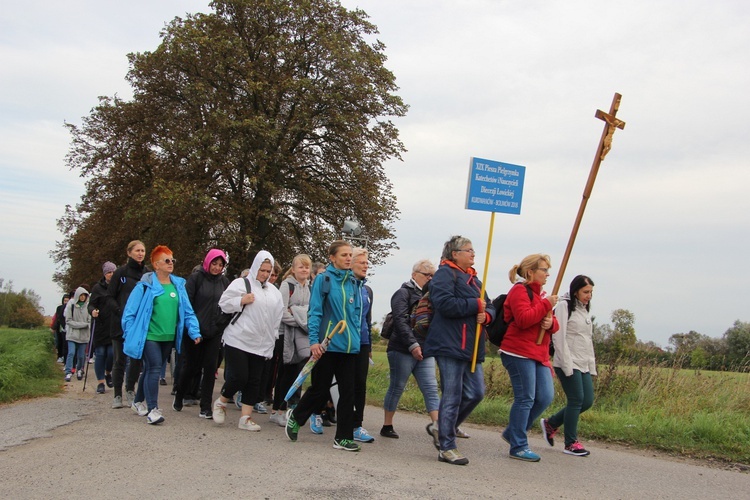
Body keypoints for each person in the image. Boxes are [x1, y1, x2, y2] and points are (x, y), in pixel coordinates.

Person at [423, 236, 495, 466]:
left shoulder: (474, 279)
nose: (473, 254)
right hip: (449, 343)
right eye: (468, 250)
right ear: (455, 254)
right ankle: (447, 446)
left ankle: (442, 427)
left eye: (473, 250)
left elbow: (489, 304)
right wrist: (475, 306)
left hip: (472, 346)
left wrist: (488, 315)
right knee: (452, 395)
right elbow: (444, 303)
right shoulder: (445, 274)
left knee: (476, 393)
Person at [285, 240, 363, 452]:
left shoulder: (354, 282)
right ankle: (297, 417)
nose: (349, 258)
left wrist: (357, 340)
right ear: (332, 257)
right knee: (319, 390)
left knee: (348, 393)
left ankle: (343, 438)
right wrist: (313, 342)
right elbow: (315, 312)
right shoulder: (324, 279)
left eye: (350, 255)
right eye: (344, 255)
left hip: (348, 347)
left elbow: (355, 315)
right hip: (327, 345)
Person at [122, 245, 202, 425]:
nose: (171, 263)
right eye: (166, 260)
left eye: (172, 260)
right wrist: (129, 334)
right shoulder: (145, 286)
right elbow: (129, 313)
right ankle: (153, 409)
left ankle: (136, 402)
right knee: (155, 367)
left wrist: (194, 331)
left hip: (168, 337)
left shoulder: (178, 285)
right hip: (149, 336)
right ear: (156, 265)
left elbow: (188, 312)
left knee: (150, 369)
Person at [213, 250, 284, 431]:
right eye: (262, 270)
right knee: (239, 376)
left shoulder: (274, 293)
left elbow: (276, 318)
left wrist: (271, 341)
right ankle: (221, 401)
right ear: (255, 267)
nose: (265, 274)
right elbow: (223, 303)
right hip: (239, 338)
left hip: (261, 344)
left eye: (268, 271)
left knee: (254, 380)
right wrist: (241, 300)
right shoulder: (241, 283)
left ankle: (245, 417)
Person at [500, 254, 559, 462]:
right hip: (518, 352)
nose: (547, 274)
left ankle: (514, 431)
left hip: (538, 354)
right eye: (544, 270)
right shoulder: (519, 291)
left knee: (544, 396)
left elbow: (554, 324)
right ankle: (518, 445)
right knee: (525, 398)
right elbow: (524, 320)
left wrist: (550, 323)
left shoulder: (542, 295)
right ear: (530, 272)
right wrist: (546, 305)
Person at [381, 259, 440, 440]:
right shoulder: (402, 293)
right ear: (414, 275)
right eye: (426, 275)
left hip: (426, 349)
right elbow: (400, 320)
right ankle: (387, 425)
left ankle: (438, 428)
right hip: (402, 348)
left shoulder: (434, 295)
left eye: (433, 276)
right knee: (397, 386)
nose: (430, 279)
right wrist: (412, 344)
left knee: (431, 387)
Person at [541, 275, 596, 457]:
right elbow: (558, 335)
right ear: (575, 291)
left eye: (591, 292)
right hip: (568, 361)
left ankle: (551, 423)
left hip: (583, 362)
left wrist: (591, 364)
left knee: (587, 401)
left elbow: (586, 340)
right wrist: (565, 363)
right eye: (585, 292)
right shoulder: (564, 306)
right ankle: (571, 443)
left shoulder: (584, 309)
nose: (589, 296)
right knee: (576, 400)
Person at [173, 249, 230, 419]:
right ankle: (180, 394)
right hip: (195, 332)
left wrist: (221, 324)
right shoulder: (196, 279)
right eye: (214, 263)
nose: (217, 267)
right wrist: (192, 329)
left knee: (210, 368)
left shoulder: (225, 282)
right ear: (208, 262)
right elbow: (187, 304)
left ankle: (206, 407)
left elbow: (228, 305)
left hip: (214, 332)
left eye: (220, 265)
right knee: (191, 367)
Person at [269, 254, 312, 426]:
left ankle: (286, 409)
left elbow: (309, 311)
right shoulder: (287, 286)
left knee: (295, 374)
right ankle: (276, 410)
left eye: (307, 267)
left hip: (300, 336)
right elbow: (281, 312)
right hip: (284, 335)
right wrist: (299, 321)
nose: (304, 270)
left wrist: (299, 316)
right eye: (301, 267)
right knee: (284, 374)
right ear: (293, 269)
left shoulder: (309, 288)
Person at [107, 240, 147, 409]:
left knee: (136, 360)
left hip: (138, 325)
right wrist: (120, 312)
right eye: (137, 250)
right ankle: (117, 394)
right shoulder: (120, 273)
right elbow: (109, 297)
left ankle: (130, 389)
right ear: (129, 252)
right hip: (120, 323)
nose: (140, 253)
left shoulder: (147, 274)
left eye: (143, 251)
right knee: (119, 360)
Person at [351, 247, 375, 443]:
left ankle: (356, 425)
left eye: (367, 262)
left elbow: (367, 319)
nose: (366, 265)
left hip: (363, 342)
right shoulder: (345, 286)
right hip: (344, 342)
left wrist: (370, 348)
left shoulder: (367, 290)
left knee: (360, 384)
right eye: (362, 262)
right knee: (332, 383)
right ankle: (316, 412)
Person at [88, 262, 116, 394]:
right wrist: (93, 311)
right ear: (105, 274)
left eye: (113, 272)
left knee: (111, 354)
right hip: (100, 325)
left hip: (114, 326)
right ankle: (100, 382)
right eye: (109, 272)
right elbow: (91, 305)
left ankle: (108, 373)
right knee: (100, 354)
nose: (111, 274)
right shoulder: (97, 288)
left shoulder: (118, 287)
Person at [64, 287, 92, 382]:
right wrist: (82, 325)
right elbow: (68, 320)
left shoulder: (88, 306)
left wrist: (80, 325)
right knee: (71, 353)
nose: (83, 297)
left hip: (84, 336)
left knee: (81, 355)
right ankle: (68, 371)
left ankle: (80, 369)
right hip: (72, 335)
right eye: (81, 295)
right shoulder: (71, 305)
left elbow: (90, 322)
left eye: (84, 295)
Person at [51, 293, 71, 363]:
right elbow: (57, 318)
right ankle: (60, 356)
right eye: (65, 301)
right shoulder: (59, 308)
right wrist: (54, 327)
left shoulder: (71, 308)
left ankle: (65, 358)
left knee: (66, 344)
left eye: (67, 301)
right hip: (60, 327)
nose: (66, 302)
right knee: (59, 342)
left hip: (68, 327)